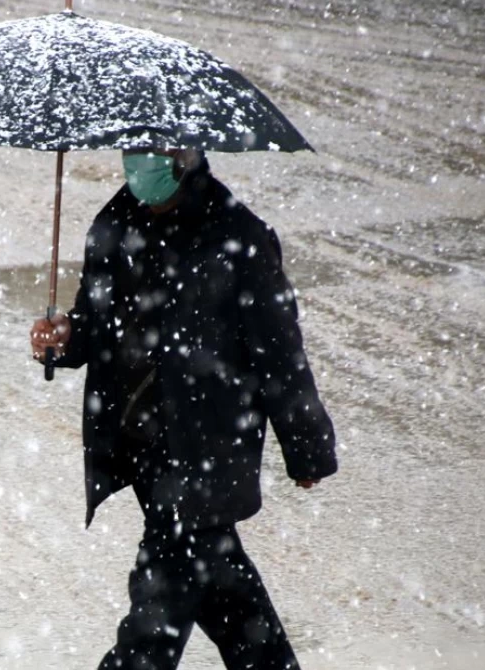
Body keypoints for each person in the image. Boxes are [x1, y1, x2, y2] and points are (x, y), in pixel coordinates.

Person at [29, 147, 337, 670]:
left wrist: (306, 448)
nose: (140, 163)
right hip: (143, 444)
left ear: (186, 155)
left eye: (154, 151)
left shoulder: (239, 237)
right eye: (133, 151)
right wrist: (65, 336)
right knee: (227, 594)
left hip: (210, 446)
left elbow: (280, 354)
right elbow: (95, 325)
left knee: (154, 623)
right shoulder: (114, 224)